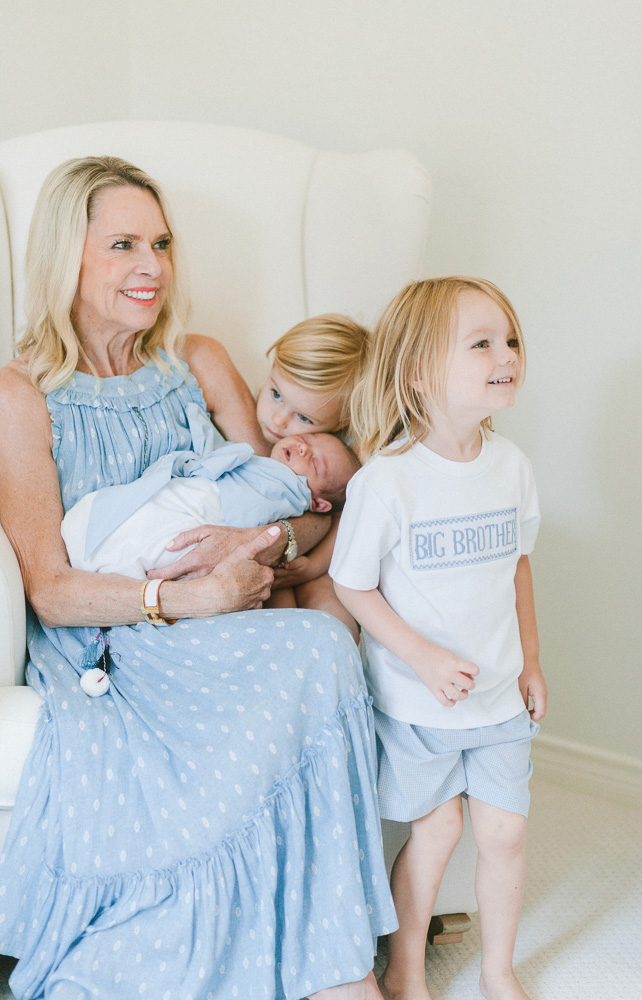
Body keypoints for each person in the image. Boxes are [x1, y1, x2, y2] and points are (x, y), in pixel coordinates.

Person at [0, 155, 396, 1000]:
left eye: (162, 243)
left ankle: (336, 965)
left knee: (321, 644)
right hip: (114, 637)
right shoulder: (21, 394)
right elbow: (49, 587)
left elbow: (294, 500)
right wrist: (187, 597)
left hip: (225, 605)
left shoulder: (198, 360)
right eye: (123, 246)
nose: (152, 267)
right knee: (310, 655)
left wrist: (253, 540)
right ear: (66, 256)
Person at [330, 276, 548, 1000]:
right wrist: (419, 657)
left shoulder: (510, 467)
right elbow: (350, 584)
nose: (505, 354)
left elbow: (516, 569)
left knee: (504, 835)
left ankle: (497, 968)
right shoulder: (388, 482)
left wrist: (531, 664)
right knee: (437, 830)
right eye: (480, 343)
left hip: (497, 700)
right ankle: (405, 969)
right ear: (420, 372)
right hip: (418, 704)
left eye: (509, 339)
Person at [62, 413, 360, 580]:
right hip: (187, 494)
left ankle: (116, 563)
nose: (304, 449)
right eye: (307, 440)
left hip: (210, 514)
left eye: (316, 463)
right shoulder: (259, 462)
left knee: (169, 543)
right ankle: (103, 550)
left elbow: (242, 520)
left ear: (319, 503)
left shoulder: (288, 493)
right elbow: (216, 453)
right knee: (141, 509)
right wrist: (198, 419)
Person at [250, 314, 368, 626]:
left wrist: (314, 566)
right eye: (275, 394)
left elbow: (350, 517)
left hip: (317, 558)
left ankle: (341, 661)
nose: (279, 421)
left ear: (341, 423)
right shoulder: (240, 420)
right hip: (267, 561)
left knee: (327, 600)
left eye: (304, 418)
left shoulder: (342, 457)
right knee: (276, 602)